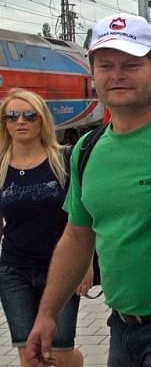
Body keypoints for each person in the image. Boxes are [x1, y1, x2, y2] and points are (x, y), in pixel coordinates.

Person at [25, 13, 151, 367]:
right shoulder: (86, 150)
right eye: (105, 65)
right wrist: (46, 314)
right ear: (93, 73)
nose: (116, 75)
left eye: (131, 65)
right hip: (121, 324)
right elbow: (76, 236)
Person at [0, 89, 87, 367]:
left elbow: (83, 217)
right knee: (29, 355)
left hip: (61, 269)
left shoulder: (63, 160)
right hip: (14, 270)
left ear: (42, 120)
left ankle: (76, 361)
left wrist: (86, 265)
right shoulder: (1, 168)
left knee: (59, 354)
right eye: (12, 116)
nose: (20, 121)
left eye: (29, 115)